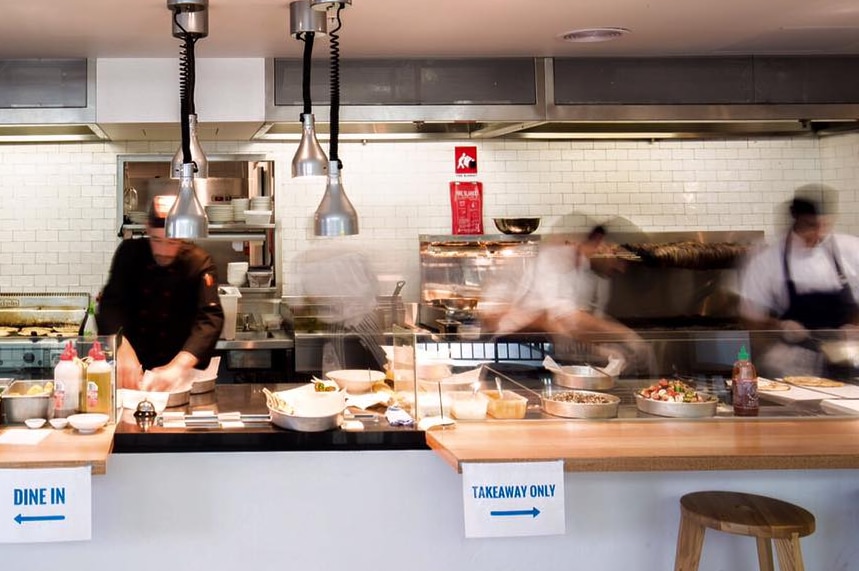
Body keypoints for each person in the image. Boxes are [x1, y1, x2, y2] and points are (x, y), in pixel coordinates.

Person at [96, 197, 224, 391]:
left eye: (172, 241)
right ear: (147, 229)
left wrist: (179, 366)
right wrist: (120, 344)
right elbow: (110, 304)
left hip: (179, 378)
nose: (164, 251)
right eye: (157, 240)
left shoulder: (200, 262)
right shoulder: (129, 254)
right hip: (132, 375)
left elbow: (210, 319)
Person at [480, 226, 649, 372]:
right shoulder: (555, 258)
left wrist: (597, 350)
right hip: (515, 351)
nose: (620, 267)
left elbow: (567, 323)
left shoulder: (582, 267)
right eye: (618, 256)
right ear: (600, 242)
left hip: (541, 351)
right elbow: (565, 318)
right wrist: (626, 335)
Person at [739, 185, 859, 377]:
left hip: (847, 358)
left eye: (824, 225)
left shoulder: (851, 250)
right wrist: (780, 327)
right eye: (810, 225)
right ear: (796, 220)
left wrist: (854, 327)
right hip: (794, 365)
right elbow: (751, 318)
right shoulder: (768, 259)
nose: (818, 233)